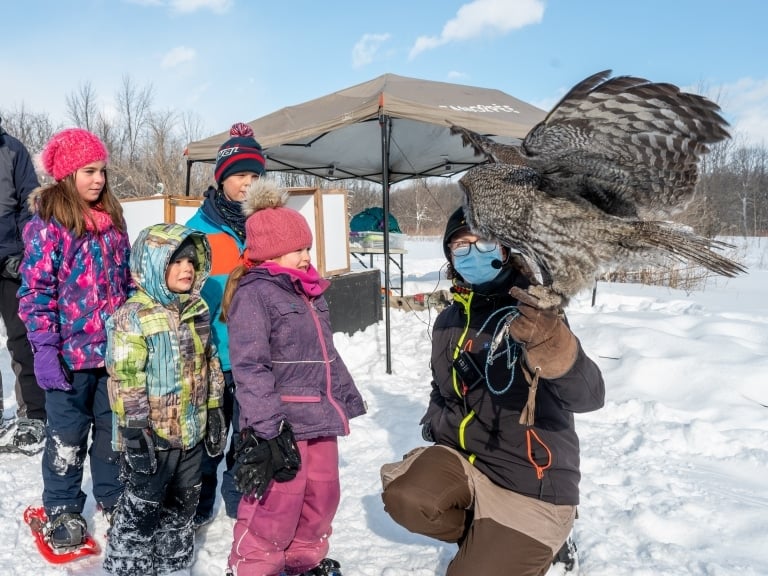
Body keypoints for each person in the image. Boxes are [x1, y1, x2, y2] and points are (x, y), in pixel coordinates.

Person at [380, 207, 605, 576]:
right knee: (404, 497)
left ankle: (545, 544)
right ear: (450, 258)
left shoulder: (533, 310)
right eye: (460, 245)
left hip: (531, 483)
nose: (472, 252)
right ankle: (486, 539)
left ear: (503, 248)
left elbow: (589, 396)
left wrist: (556, 347)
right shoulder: (448, 321)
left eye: (482, 241)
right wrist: (436, 423)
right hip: (469, 463)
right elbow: (442, 389)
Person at [224, 179, 366, 576]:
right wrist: (267, 427)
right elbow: (250, 365)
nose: (307, 256)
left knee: (322, 496)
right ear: (271, 251)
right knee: (277, 504)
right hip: (282, 424)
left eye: (308, 247)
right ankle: (255, 567)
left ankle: (303, 562)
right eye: (298, 249)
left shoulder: (311, 292)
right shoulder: (255, 294)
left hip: (320, 417)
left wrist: (344, 399)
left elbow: (324, 355)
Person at [17, 127, 133, 549]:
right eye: (88, 170)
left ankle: (113, 497)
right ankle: (63, 509)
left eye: (102, 170)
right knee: (66, 438)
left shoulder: (113, 223)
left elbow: (127, 282)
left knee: (111, 433)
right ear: (67, 174)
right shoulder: (49, 225)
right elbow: (35, 293)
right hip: (67, 358)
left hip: (113, 357)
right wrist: (45, 350)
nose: (98, 179)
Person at [103, 223, 226, 576]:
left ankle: (172, 557)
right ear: (154, 263)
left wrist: (215, 407)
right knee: (144, 501)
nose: (186, 268)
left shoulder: (197, 309)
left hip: (191, 430)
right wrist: (134, 426)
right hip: (151, 436)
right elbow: (126, 376)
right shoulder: (134, 316)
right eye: (175, 261)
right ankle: (128, 560)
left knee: (185, 497)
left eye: (191, 261)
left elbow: (210, 360)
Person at [185, 121, 265, 527]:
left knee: (247, 435)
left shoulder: (267, 226)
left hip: (256, 355)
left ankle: (240, 505)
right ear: (222, 178)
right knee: (208, 437)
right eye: (239, 175)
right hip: (212, 354)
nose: (247, 184)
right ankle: (199, 505)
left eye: (255, 176)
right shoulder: (197, 231)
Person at [0, 117, 47, 449]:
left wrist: (24, 251)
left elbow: (30, 207)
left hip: (9, 261)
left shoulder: (12, 149)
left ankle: (33, 415)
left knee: (22, 339)